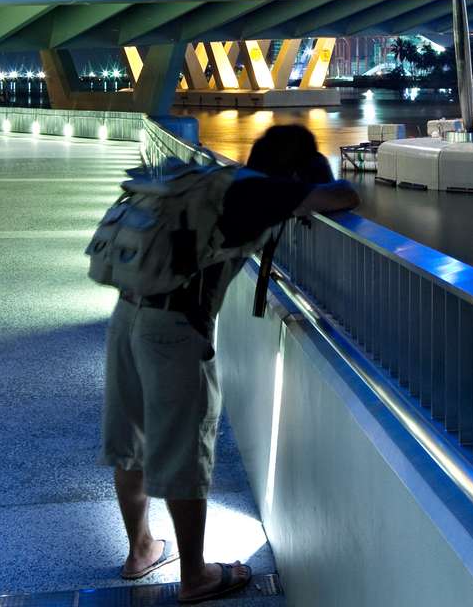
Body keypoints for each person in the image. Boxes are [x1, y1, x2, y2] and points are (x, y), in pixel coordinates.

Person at [99, 124, 355, 599]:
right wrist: (312, 186)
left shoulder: (217, 180)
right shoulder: (264, 193)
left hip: (128, 313)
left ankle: (140, 551)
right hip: (172, 331)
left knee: (131, 438)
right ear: (295, 169)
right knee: (184, 449)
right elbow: (343, 195)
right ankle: (195, 575)